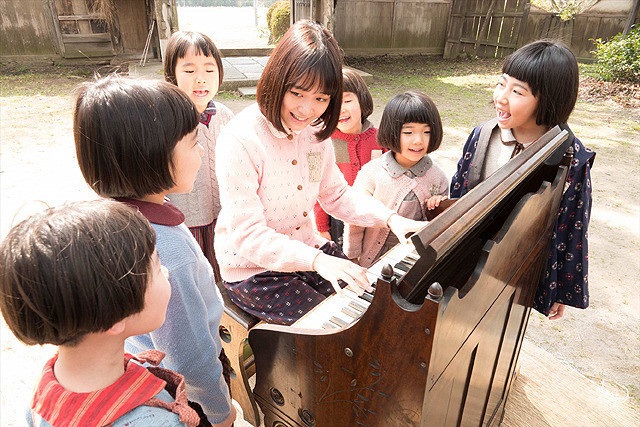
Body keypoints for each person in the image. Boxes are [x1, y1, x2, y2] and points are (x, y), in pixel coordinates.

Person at [214, 20, 425, 326]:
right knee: (334, 326)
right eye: (298, 93)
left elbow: (337, 195)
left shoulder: (315, 134)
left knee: (367, 299)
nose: (307, 109)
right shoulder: (241, 139)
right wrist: (318, 260)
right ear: (276, 81)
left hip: (306, 248)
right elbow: (248, 236)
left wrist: (393, 219)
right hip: (251, 270)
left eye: (321, 99)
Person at [73, 77, 235, 426]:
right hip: (188, 392)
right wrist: (221, 413)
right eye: (194, 143)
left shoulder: (112, 219)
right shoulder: (169, 252)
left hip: (138, 363)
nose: (203, 151)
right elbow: (191, 359)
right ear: (152, 157)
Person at [0, 199, 205, 426]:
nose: (165, 272)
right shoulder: (158, 423)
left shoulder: (47, 390)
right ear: (114, 319)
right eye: (156, 267)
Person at [449, 40, 595, 320]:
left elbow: (572, 225)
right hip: (470, 265)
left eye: (517, 91)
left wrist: (561, 290)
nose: (501, 97)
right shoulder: (482, 136)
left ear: (549, 98)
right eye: (501, 84)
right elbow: (460, 194)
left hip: (519, 273)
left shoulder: (571, 157)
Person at [343, 91, 449, 268]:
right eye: (408, 132)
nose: (418, 141)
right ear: (391, 131)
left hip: (415, 262)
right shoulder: (371, 173)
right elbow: (354, 219)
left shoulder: (437, 177)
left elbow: (438, 226)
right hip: (372, 261)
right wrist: (353, 257)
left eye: (427, 132)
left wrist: (437, 207)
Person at [164, 31, 234, 283]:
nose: (200, 80)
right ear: (172, 75)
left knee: (222, 275)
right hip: (185, 218)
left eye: (209, 70)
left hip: (222, 214)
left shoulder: (225, 116)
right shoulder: (166, 120)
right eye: (190, 71)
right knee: (191, 276)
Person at [313, 67, 384, 247]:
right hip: (339, 217)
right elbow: (317, 189)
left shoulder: (381, 140)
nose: (340, 110)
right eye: (332, 105)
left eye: (347, 100)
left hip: (376, 217)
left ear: (361, 100)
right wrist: (322, 227)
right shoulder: (323, 144)